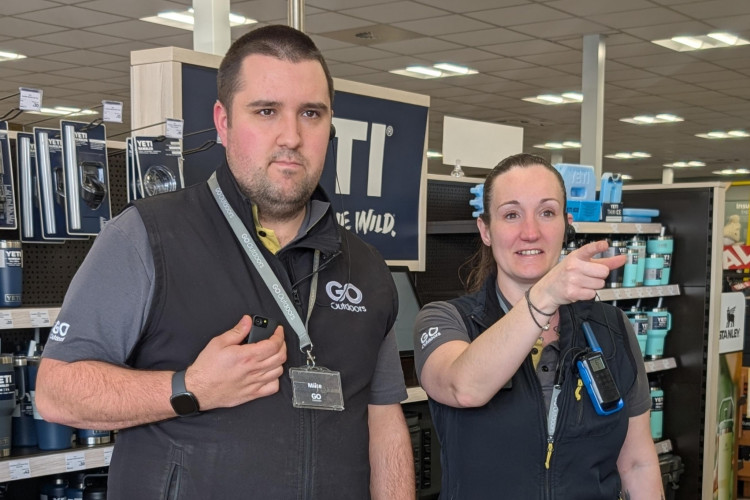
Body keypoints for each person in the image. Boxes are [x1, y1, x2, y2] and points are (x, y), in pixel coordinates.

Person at [35, 25, 414, 500]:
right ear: (223, 121)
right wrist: (189, 387)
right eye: (266, 111)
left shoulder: (366, 266)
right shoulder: (146, 238)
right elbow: (57, 391)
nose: (291, 136)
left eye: (311, 114)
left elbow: (384, 422)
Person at [414, 153, 664, 499]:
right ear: (485, 230)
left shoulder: (611, 328)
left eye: (547, 213)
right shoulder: (446, 320)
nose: (530, 233)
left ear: (566, 223)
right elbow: (464, 387)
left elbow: (637, 463)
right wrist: (545, 296)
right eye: (511, 215)